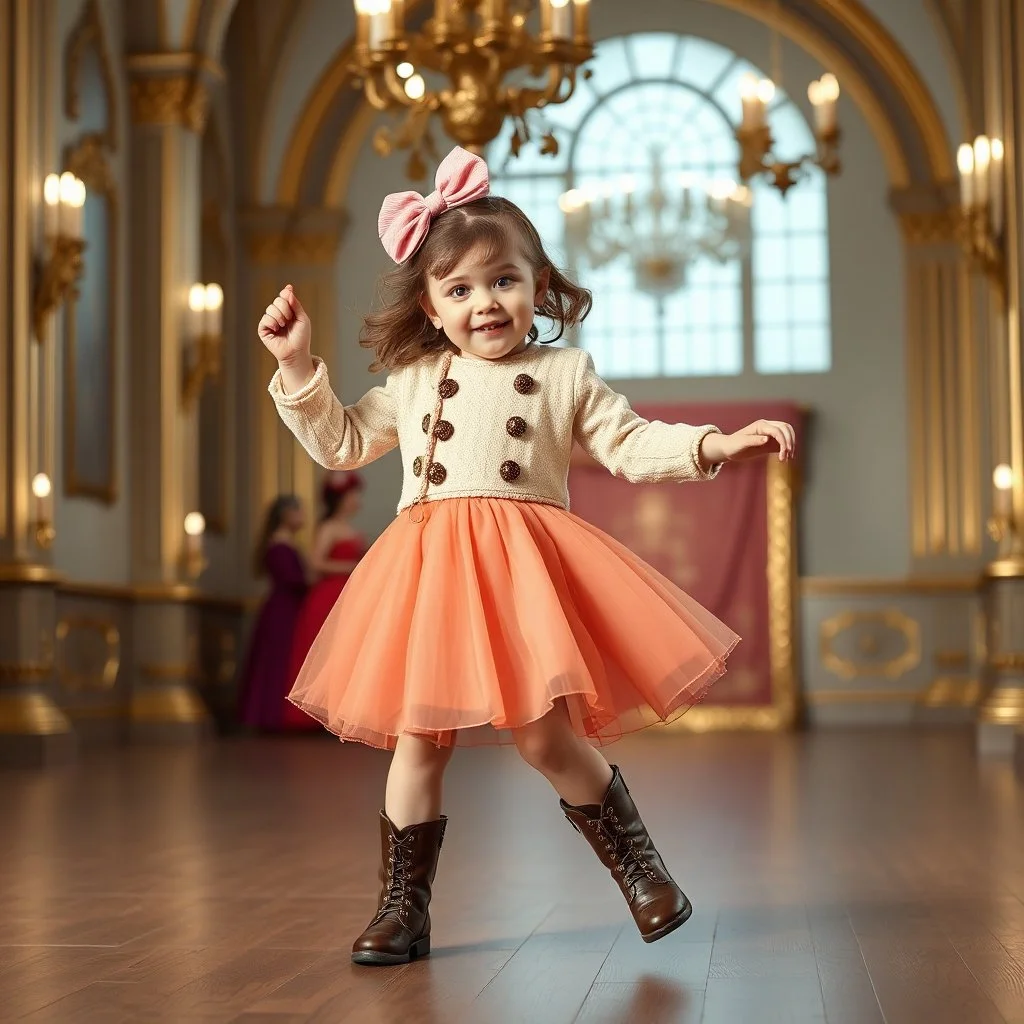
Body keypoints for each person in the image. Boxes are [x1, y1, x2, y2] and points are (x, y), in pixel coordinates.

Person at [257, 147, 796, 966]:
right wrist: (297, 367)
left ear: (539, 286)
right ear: (432, 308)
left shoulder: (563, 373)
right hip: (429, 574)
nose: (485, 304)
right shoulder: (414, 378)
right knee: (418, 741)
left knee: (545, 737)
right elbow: (339, 442)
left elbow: (631, 441)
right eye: (460, 289)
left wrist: (720, 443)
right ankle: (403, 907)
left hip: (520, 574)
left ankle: (642, 869)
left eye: (504, 280)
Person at [285, 471, 366, 721]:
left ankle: (342, 713)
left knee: (348, 651)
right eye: (353, 495)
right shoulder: (329, 528)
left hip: (348, 593)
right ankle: (319, 714)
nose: (357, 500)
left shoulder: (346, 528)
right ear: (341, 498)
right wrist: (351, 567)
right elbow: (315, 562)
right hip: (329, 595)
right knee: (330, 652)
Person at [237, 494, 310, 732]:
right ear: (286, 514)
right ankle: (271, 716)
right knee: (277, 662)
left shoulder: (283, 541)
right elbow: (291, 579)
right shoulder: (280, 544)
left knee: (280, 661)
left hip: (287, 607)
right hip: (283, 610)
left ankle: (274, 715)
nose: (303, 516)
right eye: (299, 511)